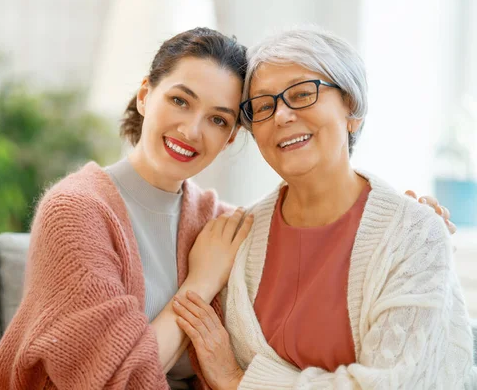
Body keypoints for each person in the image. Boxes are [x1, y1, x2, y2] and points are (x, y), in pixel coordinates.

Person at [0, 27, 456, 390]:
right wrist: (199, 284)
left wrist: (412, 220)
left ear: (233, 135)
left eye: (218, 119)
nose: (192, 130)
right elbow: (113, 380)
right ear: (145, 95)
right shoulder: (76, 211)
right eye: (179, 100)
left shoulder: (221, 222)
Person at [172, 26, 476, 389]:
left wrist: (239, 381)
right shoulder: (237, 235)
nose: (281, 116)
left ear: (352, 108)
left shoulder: (413, 234)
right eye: (264, 106)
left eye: (302, 94)